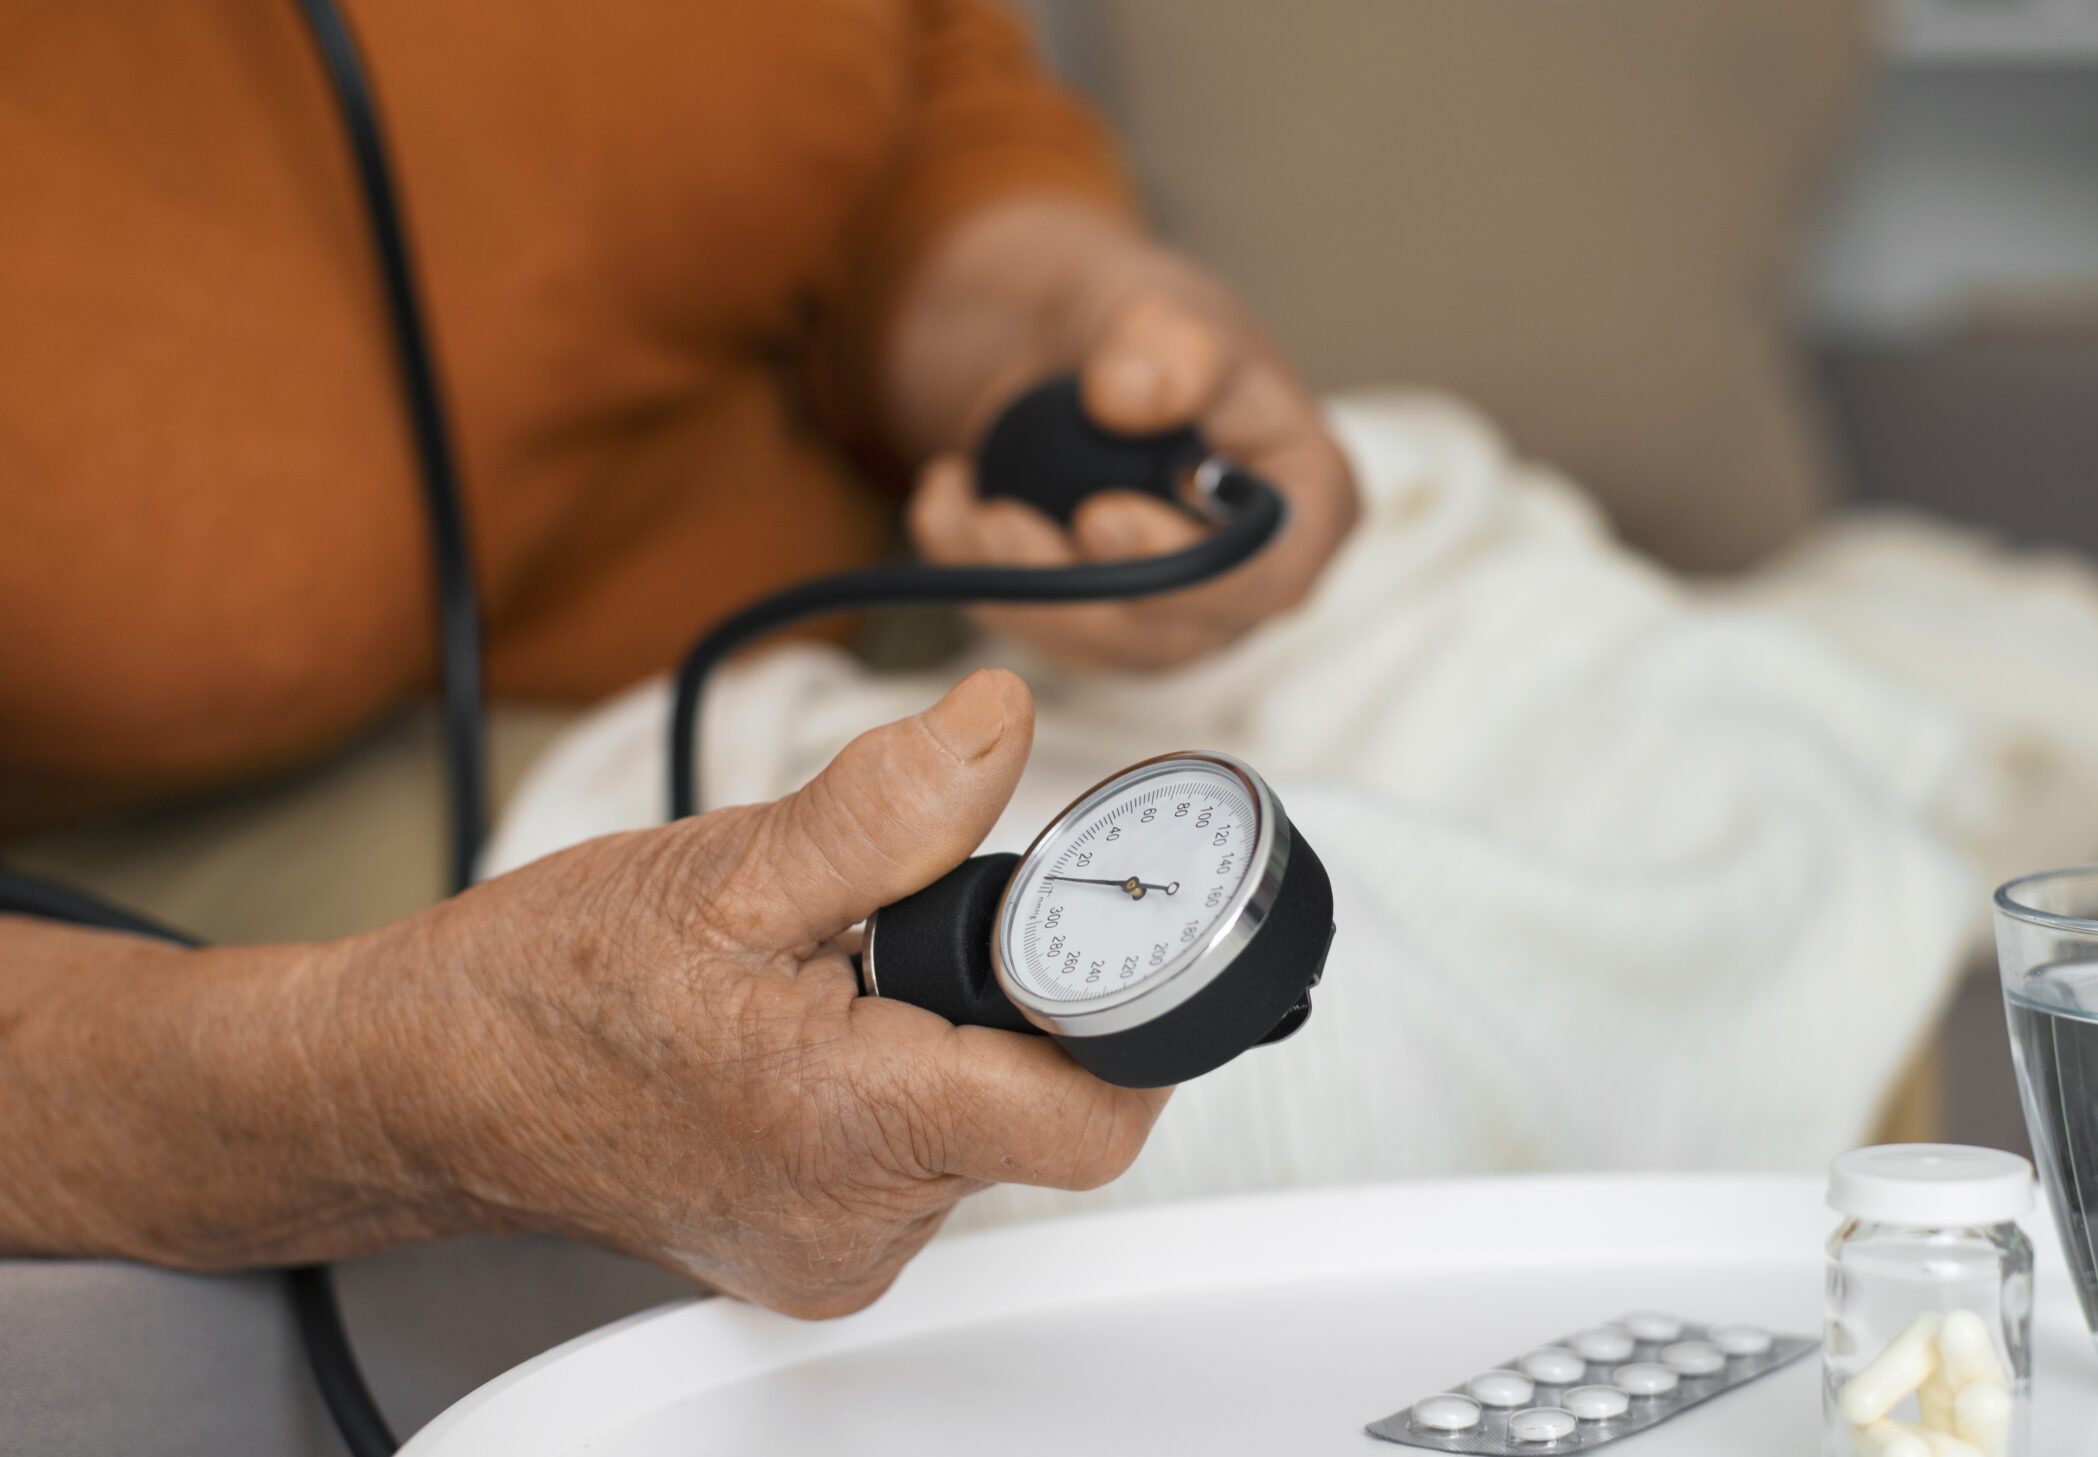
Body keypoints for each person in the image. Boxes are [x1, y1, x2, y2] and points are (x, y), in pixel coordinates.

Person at [0, 0, 1358, 1315]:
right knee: (1333, 1097)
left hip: (883, 569)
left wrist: (1055, 326)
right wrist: (404, 1094)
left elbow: (910, 116)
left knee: (1517, 630)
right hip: (374, 809)